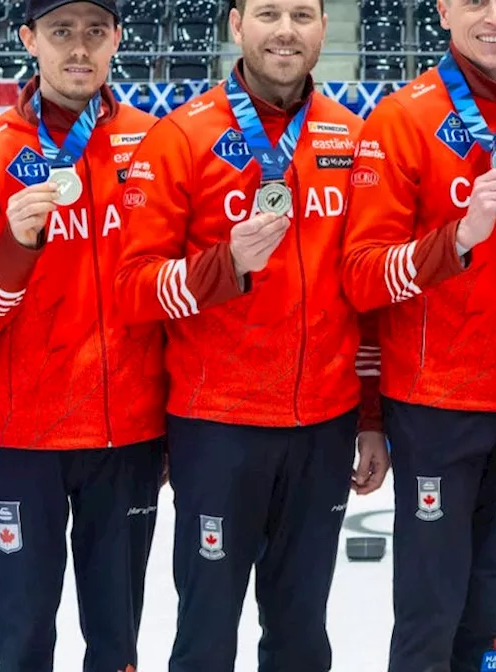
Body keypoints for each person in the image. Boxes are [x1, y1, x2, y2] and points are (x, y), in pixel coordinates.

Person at [113, 0, 389, 669]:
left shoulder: (352, 137)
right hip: (218, 428)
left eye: (302, 14)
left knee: (299, 634)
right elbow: (133, 287)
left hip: (322, 425)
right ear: (236, 25)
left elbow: (369, 295)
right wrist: (225, 265)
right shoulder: (181, 136)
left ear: (325, 28)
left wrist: (372, 416)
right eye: (269, 13)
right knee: (206, 632)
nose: (286, 30)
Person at [340, 0, 496, 668]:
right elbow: (362, 277)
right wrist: (459, 239)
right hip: (434, 407)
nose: (494, 16)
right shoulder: (401, 119)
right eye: (475, 0)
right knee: (432, 605)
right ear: (444, 9)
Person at [0, 0, 167, 669]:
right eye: (61, 32)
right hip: (21, 438)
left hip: (126, 431)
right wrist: (13, 245)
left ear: (117, 39)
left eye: (95, 32)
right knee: (25, 632)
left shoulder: (152, 142)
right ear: (28, 39)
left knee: (117, 634)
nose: (79, 49)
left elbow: (170, 295)